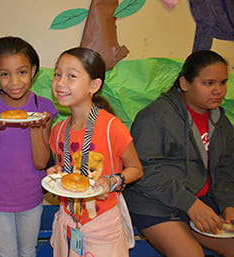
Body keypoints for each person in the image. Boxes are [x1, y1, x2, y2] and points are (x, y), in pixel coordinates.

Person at [124, 50, 234, 257]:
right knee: (190, 254)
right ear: (184, 84)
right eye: (209, 83)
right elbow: (144, 171)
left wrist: (229, 204)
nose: (218, 90)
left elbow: (226, 171)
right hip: (154, 203)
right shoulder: (155, 116)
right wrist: (190, 204)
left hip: (201, 201)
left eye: (223, 82)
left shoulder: (222, 122)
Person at [47, 47, 143, 257]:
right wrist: (56, 173)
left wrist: (112, 182)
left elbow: (136, 169)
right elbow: (66, 170)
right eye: (57, 74)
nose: (60, 83)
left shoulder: (112, 127)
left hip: (103, 225)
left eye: (71, 76)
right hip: (67, 221)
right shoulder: (58, 130)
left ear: (94, 85)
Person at [0, 36, 59, 257]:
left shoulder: (44, 107)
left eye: (21, 72)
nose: (14, 81)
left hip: (31, 196)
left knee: (28, 252)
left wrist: (34, 128)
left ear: (33, 71)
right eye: (5, 74)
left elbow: (41, 162)